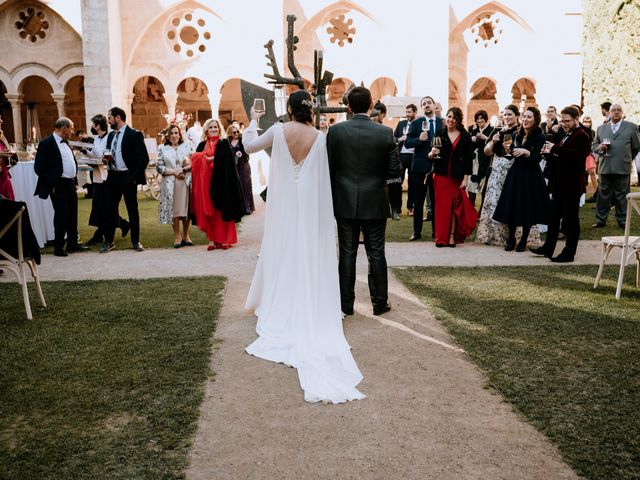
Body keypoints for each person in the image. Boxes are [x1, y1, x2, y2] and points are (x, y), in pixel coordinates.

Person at [243, 89, 366, 404]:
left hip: (284, 204)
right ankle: (306, 295)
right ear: (310, 110)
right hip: (309, 205)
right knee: (305, 250)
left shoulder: (278, 130)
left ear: (289, 108)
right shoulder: (321, 137)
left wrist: (252, 121)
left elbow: (248, 146)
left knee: (282, 248)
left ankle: (279, 298)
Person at [327, 86, 401, 316]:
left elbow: (328, 169)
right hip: (376, 201)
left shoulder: (335, 132)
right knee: (376, 251)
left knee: (347, 253)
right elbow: (395, 171)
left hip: (345, 201)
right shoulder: (385, 133)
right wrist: (393, 200)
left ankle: (345, 304)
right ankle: (380, 302)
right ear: (371, 105)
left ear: (348, 106)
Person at [532, 106, 591, 262]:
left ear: (576, 119)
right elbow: (561, 158)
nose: (564, 123)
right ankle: (548, 247)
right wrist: (548, 154)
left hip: (572, 184)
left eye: (567, 121)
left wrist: (555, 149)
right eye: (563, 120)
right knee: (553, 217)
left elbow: (576, 158)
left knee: (571, 221)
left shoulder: (582, 136)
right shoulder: (567, 134)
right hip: (560, 183)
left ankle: (569, 253)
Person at [493, 106, 549, 252]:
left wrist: (526, 152)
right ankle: (511, 238)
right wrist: (508, 150)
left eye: (529, 117)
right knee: (512, 205)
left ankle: (523, 239)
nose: (525, 119)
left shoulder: (539, 136)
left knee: (527, 207)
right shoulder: (516, 134)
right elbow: (511, 152)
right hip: (516, 173)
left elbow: (537, 158)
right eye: (524, 116)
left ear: (535, 120)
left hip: (531, 175)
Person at [34, 117, 89, 257]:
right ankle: (58, 247)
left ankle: (72, 244)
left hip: (70, 184)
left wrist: (74, 181)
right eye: (71, 128)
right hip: (58, 185)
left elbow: (68, 162)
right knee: (61, 216)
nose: (72, 131)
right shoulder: (46, 143)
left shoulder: (66, 143)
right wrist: (52, 183)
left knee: (72, 215)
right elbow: (39, 167)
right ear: (64, 128)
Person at [100, 107, 149, 253]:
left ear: (118, 118)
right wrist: (105, 160)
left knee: (132, 209)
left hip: (128, 177)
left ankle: (136, 241)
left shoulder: (134, 134)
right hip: (113, 176)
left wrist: (134, 178)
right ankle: (109, 241)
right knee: (109, 209)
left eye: (110, 118)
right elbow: (110, 153)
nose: (108, 121)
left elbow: (143, 158)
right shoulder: (110, 136)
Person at [191, 118, 244, 250]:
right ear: (206, 130)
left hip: (222, 181)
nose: (213, 129)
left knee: (222, 209)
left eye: (215, 127)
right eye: (211, 127)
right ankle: (213, 239)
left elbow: (228, 160)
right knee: (211, 211)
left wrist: (212, 158)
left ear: (219, 129)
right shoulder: (202, 144)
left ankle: (226, 239)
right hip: (206, 182)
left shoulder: (224, 143)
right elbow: (195, 159)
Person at [428, 107, 477, 247]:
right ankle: (440, 238)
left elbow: (469, 160)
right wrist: (431, 154)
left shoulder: (465, 136)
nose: (450, 120)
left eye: (454, 117)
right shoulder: (439, 133)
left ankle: (451, 237)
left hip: (457, 177)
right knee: (441, 208)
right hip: (441, 175)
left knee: (455, 208)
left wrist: (466, 178)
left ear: (458, 120)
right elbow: (431, 155)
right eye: (449, 116)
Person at [476, 105, 522, 246]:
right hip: (496, 171)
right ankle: (494, 235)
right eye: (505, 115)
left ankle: (513, 237)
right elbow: (487, 152)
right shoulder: (497, 131)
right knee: (493, 202)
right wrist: (493, 142)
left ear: (516, 116)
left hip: (512, 169)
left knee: (510, 202)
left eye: (510, 114)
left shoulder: (520, 131)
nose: (507, 117)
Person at [592, 103, 640, 229]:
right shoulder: (601, 128)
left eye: (619, 110)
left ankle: (622, 220)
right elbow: (594, 146)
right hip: (605, 167)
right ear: (610, 112)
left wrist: (626, 158)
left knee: (622, 195)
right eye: (614, 110)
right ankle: (601, 220)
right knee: (603, 195)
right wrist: (600, 148)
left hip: (622, 166)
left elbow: (635, 147)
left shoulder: (631, 127)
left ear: (622, 112)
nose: (616, 112)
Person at [84, 114, 130, 246]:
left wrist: (92, 149)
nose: (92, 127)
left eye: (93, 124)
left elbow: (104, 155)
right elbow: (94, 154)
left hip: (106, 175)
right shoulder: (97, 139)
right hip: (97, 175)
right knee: (99, 206)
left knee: (106, 207)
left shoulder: (108, 138)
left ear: (98, 125)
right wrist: (85, 152)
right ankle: (123, 225)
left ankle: (102, 233)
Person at [405, 96, 443, 240]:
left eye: (429, 103)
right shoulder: (416, 123)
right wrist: (418, 140)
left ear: (434, 105)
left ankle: (436, 232)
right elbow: (407, 143)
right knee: (418, 201)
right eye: (424, 104)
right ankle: (416, 232)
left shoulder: (442, 123)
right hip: (419, 167)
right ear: (422, 108)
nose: (426, 105)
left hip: (437, 167)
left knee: (435, 202)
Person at [157, 124, 193, 248]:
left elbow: (195, 162)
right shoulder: (162, 148)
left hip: (185, 181)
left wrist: (183, 170)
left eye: (176, 133)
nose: (174, 135)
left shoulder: (187, 145)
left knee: (185, 209)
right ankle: (177, 236)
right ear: (168, 135)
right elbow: (159, 167)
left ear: (180, 134)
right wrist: (174, 172)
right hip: (170, 183)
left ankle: (186, 235)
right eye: (171, 133)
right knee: (175, 210)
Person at [468, 110, 495, 209]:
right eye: (477, 119)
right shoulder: (473, 131)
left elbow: (494, 145)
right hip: (474, 162)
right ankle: (471, 211)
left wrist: (485, 138)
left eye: (481, 118)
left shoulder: (492, 130)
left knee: (485, 188)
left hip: (486, 162)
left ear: (485, 118)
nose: (479, 120)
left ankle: (481, 213)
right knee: (471, 186)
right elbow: (468, 146)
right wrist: (471, 140)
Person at [394, 104, 417, 216]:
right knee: (399, 182)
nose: (407, 114)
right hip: (402, 155)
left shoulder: (418, 124)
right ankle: (398, 208)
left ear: (415, 112)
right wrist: (400, 139)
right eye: (406, 112)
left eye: (409, 112)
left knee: (412, 183)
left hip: (414, 156)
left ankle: (410, 208)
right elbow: (393, 138)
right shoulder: (401, 123)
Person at [227, 124, 254, 214]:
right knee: (236, 187)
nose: (236, 133)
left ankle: (247, 207)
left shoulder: (242, 140)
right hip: (234, 167)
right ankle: (239, 208)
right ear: (230, 133)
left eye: (238, 131)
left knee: (245, 186)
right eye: (234, 132)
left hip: (244, 165)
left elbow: (248, 150)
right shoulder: (227, 142)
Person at [0, 115, 17, 200]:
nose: (1, 121)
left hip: (4, 176)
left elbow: (7, 150)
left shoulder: (2, 136)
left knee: (9, 203)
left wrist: (12, 156)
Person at [582, 116, 598, 202]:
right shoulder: (580, 130)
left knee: (592, 172)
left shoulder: (592, 132)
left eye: (589, 122)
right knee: (583, 173)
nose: (587, 123)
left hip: (590, 154)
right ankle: (582, 193)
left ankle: (596, 192)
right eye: (585, 121)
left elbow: (594, 143)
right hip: (581, 154)